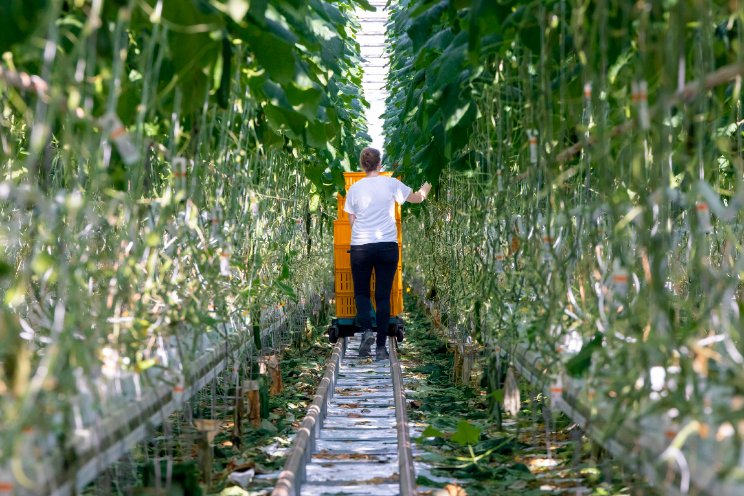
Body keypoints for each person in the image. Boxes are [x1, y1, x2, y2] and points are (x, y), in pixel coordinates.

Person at [343, 147, 431, 360]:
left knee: (362, 293)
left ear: (363, 165)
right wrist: (429, 183)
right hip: (387, 246)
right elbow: (417, 198)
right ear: (379, 164)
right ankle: (381, 348)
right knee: (383, 296)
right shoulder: (391, 183)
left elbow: (351, 220)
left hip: (361, 247)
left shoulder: (354, 188)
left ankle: (365, 332)